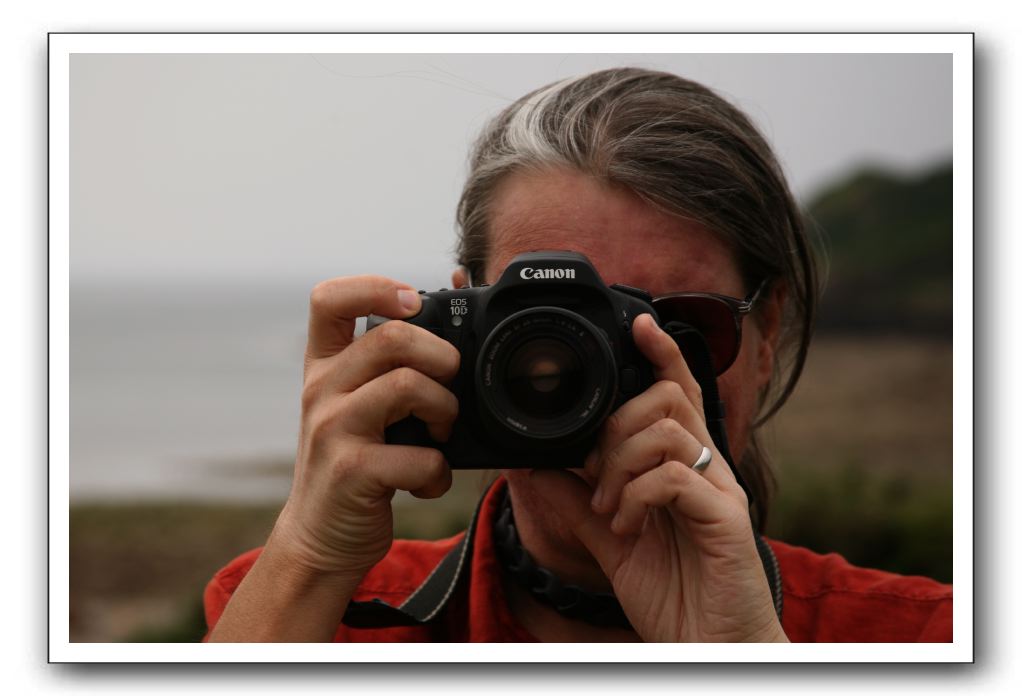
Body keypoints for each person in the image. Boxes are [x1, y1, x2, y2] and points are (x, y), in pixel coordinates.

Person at [203, 67, 952, 643]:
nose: (608, 376)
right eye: (547, 330)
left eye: (684, 329)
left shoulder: (920, 638)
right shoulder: (303, 614)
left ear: (765, 340)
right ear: (458, 332)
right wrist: (307, 558)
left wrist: (741, 655)